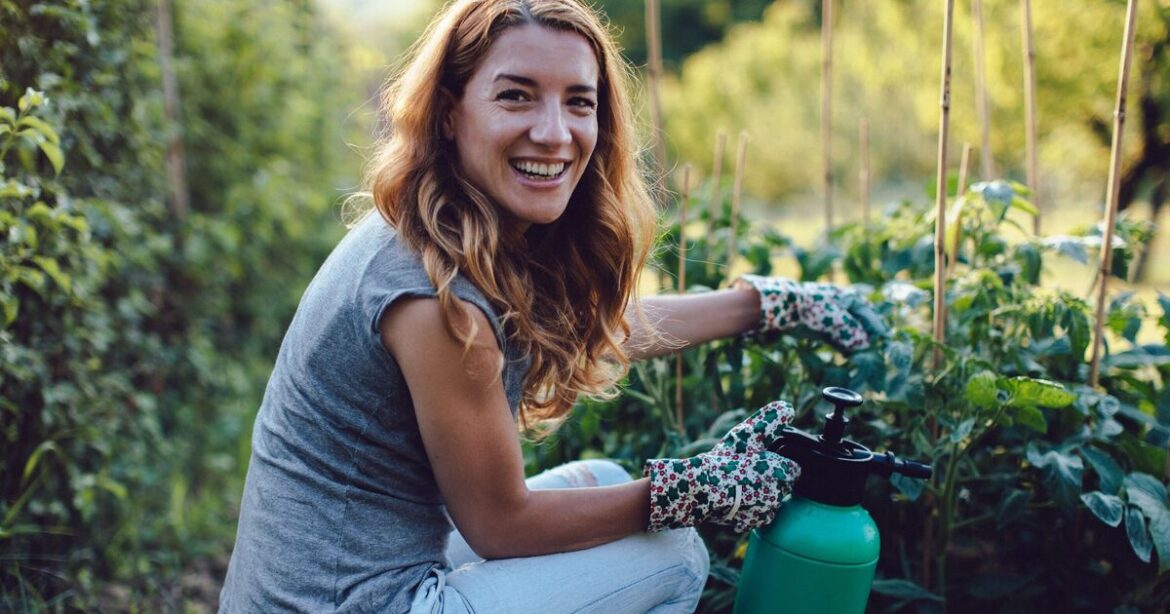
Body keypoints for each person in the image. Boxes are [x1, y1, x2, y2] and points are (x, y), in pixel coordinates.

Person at [218, 1, 879, 612]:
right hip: (349, 602)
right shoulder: (432, 300)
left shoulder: (438, 225)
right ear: (449, 112)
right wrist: (691, 490)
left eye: (579, 102)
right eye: (516, 96)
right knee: (674, 554)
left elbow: (592, 329)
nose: (554, 132)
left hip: (346, 574)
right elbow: (501, 525)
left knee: (604, 477)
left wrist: (764, 305)